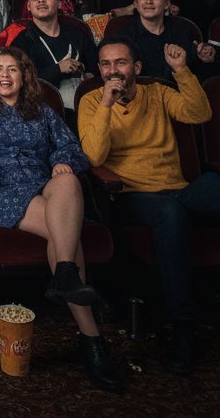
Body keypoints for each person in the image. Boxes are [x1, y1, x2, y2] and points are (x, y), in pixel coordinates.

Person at [0, 46, 123, 392]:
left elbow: (72, 148)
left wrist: (61, 160)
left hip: (44, 186)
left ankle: (66, 277)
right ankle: (91, 338)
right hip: (1, 192)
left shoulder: (41, 111)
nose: (5, 76)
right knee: (66, 238)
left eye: (13, 70)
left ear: (24, 75)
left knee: (69, 179)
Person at [78, 38, 219, 375]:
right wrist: (107, 106)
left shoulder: (157, 92)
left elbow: (200, 114)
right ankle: (183, 328)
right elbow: (94, 157)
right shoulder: (92, 100)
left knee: (212, 187)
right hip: (130, 196)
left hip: (179, 190)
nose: (113, 71)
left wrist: (182, 71)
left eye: (121, 63)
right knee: (170, 213)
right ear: (99, 70)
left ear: (136, 69)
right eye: (106, 64)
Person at [4, 0, 98, 107]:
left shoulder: (77, 34)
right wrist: (58, 69)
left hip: (84, 107)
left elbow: (96, 70)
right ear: (29, 6)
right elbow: (19, 82)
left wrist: (88, 76)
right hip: (40, 110)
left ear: (59, 3)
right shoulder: (20, 42)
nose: (41, 0)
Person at [113, 0, 216, 85]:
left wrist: (205, 55)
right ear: (136, 3)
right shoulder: (123, 38)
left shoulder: (183, 30)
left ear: (167, 4)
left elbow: (196, 71)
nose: (148, 1)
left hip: (180, 97)